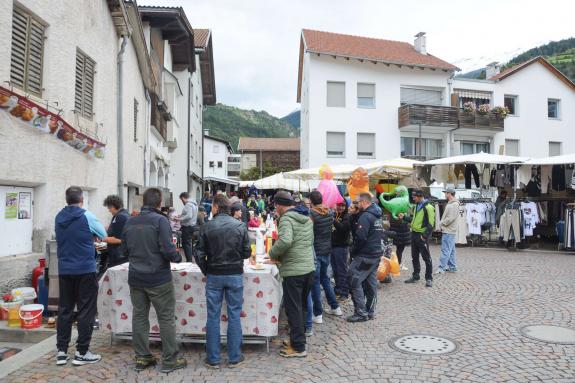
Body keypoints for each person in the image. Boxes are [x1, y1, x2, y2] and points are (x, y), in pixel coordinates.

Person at [121, 188, 186, 373]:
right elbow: (167, 249)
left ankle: (142, 357)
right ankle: (169, 360)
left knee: (139, 317)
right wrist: (177, 257)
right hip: (158, 277)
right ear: (159, 203)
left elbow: (124, 250)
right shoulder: (160, 220)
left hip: (136, 277)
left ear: (143, 202)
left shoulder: (130, 221)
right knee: (165, 318)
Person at [195, 194, 251, 369]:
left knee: (213, 315)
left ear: (216, 207)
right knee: (234, 315)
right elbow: (247, 252)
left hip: (214, 274)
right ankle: (234, 357)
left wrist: (207, 269)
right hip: (234, 274)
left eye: (212, 206)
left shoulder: (207, 226)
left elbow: (198, 254)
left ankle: (213, 358)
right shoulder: (240, 226)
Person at [55, 186, 106, 366]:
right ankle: (82, 352)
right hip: (85, 269)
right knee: (86, 311)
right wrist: (92, 237)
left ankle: (61, 352)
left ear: (67, 200)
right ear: (82, 200)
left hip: (65, 269)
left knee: (65, 310)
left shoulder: (59, 216)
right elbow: (104, 235)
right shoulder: (87, 215)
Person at [269, 191, 315, 357]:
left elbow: (286, 240)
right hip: (308, 268)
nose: (275, 209)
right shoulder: (306, 217)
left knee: (293, 309)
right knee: (301, 308)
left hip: (294, 272)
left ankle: (298, 348)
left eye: (275, 206)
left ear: (280, 205)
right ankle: (298, 340)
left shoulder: (287, 219)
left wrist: (273, 253)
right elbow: (307, 242)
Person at [347, 193, 384, 323]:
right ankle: (370, 311)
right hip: (375, 255)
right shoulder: (377, 215)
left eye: (357, 202)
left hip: (365, 256)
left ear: (363, 202)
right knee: (370, 283)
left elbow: (360, 238)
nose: (356, 205)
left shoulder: (366, 216)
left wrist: (353, 252)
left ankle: (361, 313)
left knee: (353, 281)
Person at [309, 191, 342, 323]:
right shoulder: (329, 212)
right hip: (327, 250)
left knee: (316, 282)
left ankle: (318, 314)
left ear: (311, 201)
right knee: (325, 279)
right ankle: (335, 307)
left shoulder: (312, 214)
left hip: (316, 251)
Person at [404, 189, 436, 288]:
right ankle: (416, 275)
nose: (413, 199)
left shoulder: (429, 207)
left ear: (419, 196)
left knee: (426, 258)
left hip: (421, 236)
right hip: (414, 234)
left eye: (414, 197)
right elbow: (414, 219)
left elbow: (431, 224)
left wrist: (424, 236)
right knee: (414, 257)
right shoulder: (417, 205)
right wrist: (404, 218)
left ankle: (429, 278)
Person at [101, 195, 130, 269]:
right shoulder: (124, 214)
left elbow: (118, 239)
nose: (109, 210)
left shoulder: (120, 217)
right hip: (122, 254)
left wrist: (102, 238)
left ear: (113, 206)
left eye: (109, 208)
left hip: (118, 256)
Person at [331, 201, 351, 301]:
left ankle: (344, 292)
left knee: (342, 270)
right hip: (333, 246)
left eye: (343, 206)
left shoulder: (347, 216)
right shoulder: (336, 214)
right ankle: (338, 289)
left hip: (342, 247)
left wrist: (333, 219)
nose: (341, 208)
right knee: (335, 270)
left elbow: (342, 228)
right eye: (339, 205)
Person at [436, 188, 460, 274]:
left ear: (449, 193)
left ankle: (441, 268)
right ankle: (452, 267)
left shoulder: (454, 204)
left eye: (445, 193)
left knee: (445, 250)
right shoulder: (453, 203)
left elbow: (450, 218)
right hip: (450, 230)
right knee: (451, 250)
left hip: (448, 230)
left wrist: (442, 224)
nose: (445, 194)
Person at [178, 192, 198, 262]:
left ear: (183, 198)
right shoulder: (194, 204)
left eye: (181, 200)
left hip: (187, 226)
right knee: (189, 243)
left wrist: (179, 219)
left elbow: (189, 216)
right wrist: (181, 216)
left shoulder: (188, 205)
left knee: (186, 244)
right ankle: (190, 259)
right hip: (192, 226)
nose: (182, 201)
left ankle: (189, 260)